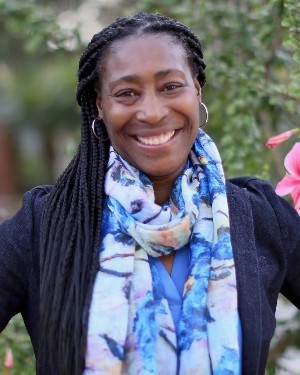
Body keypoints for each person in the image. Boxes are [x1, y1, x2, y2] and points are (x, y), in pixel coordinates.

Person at [0, 12, 300, 375]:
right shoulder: (45, 224)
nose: (153, 112)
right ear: (100, 105)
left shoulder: (257, 217)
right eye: (127, 93)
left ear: (197, 90)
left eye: (171, 86)